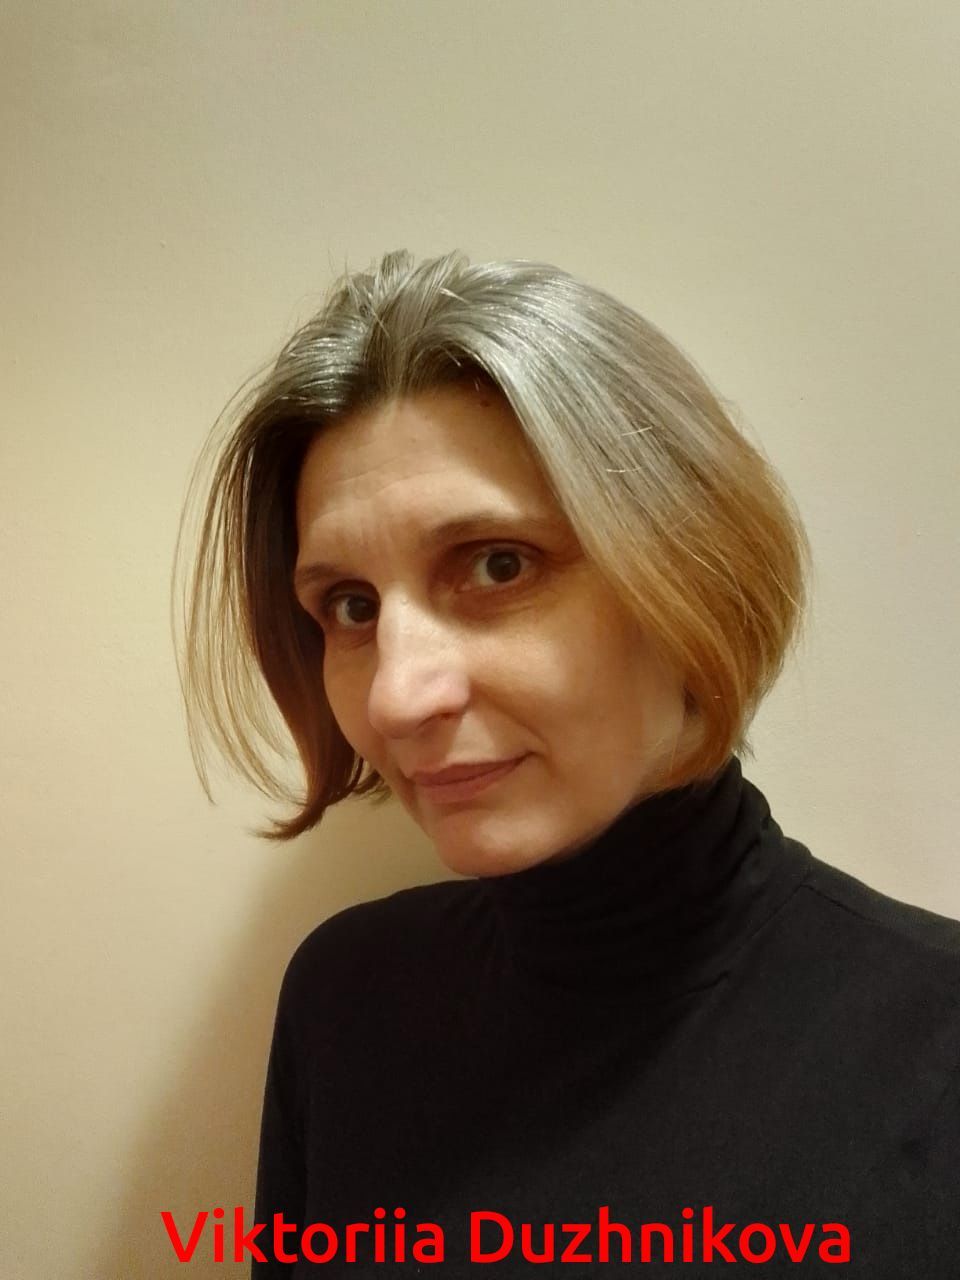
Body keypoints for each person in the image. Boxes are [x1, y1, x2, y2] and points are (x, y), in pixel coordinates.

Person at [172, 250, 960, 1276]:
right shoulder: (347, 1002)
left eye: (497, 564)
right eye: (351, 606)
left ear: (693, 574)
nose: (397, 697)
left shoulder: (932, 1046)